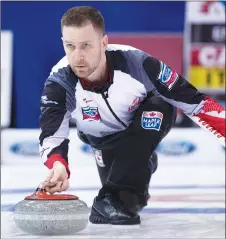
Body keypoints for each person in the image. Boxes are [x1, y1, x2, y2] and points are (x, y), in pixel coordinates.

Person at [39, 6, 225, 225]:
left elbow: (197, 103)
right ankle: (141, 164)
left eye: (86, 46)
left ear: (104, 43)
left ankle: (122, 178)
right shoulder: (59, 82)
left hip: (142, 128)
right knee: (130, 203)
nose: (77, 56)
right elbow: (52, 134)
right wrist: (58, 165)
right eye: (70, 46)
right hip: (102, 142)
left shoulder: (137, 64)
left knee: (160, 106)